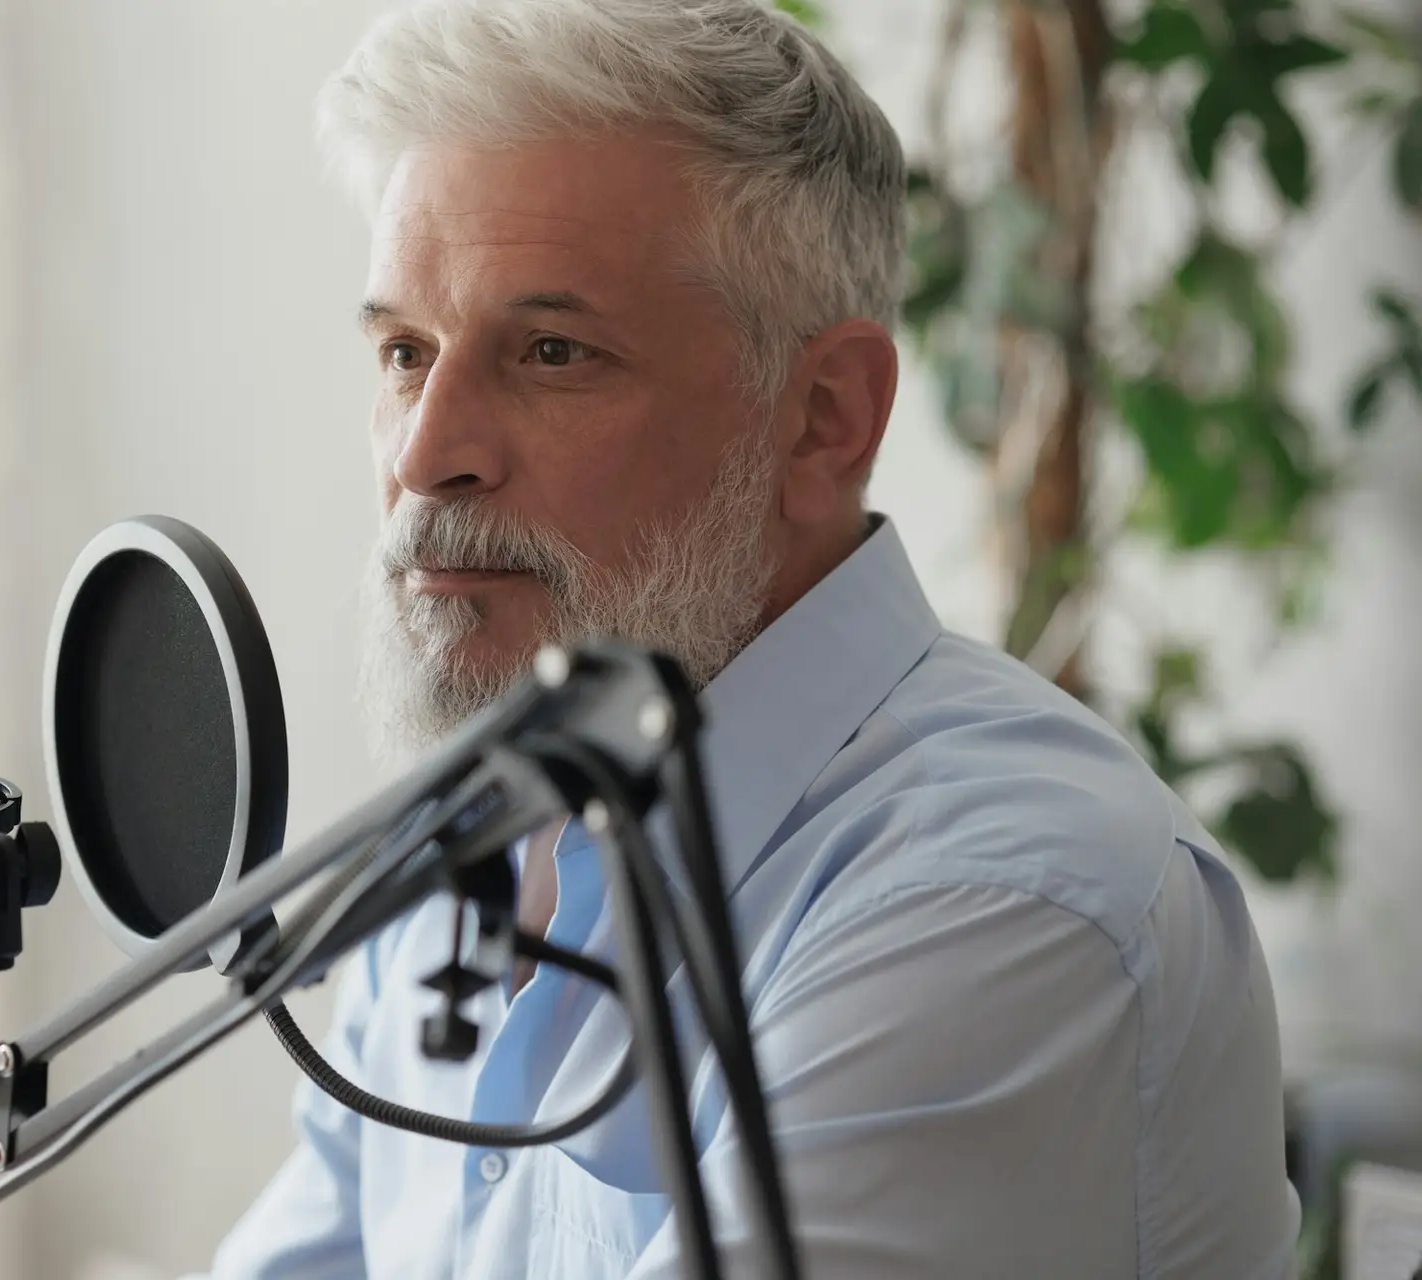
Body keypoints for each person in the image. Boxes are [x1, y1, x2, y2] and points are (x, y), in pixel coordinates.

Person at [205, 1, 1301, 1275]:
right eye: (405, 351)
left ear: (823, 417)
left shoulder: (1002, 900)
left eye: (552, 351)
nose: (425, 453)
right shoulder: (466, 846)